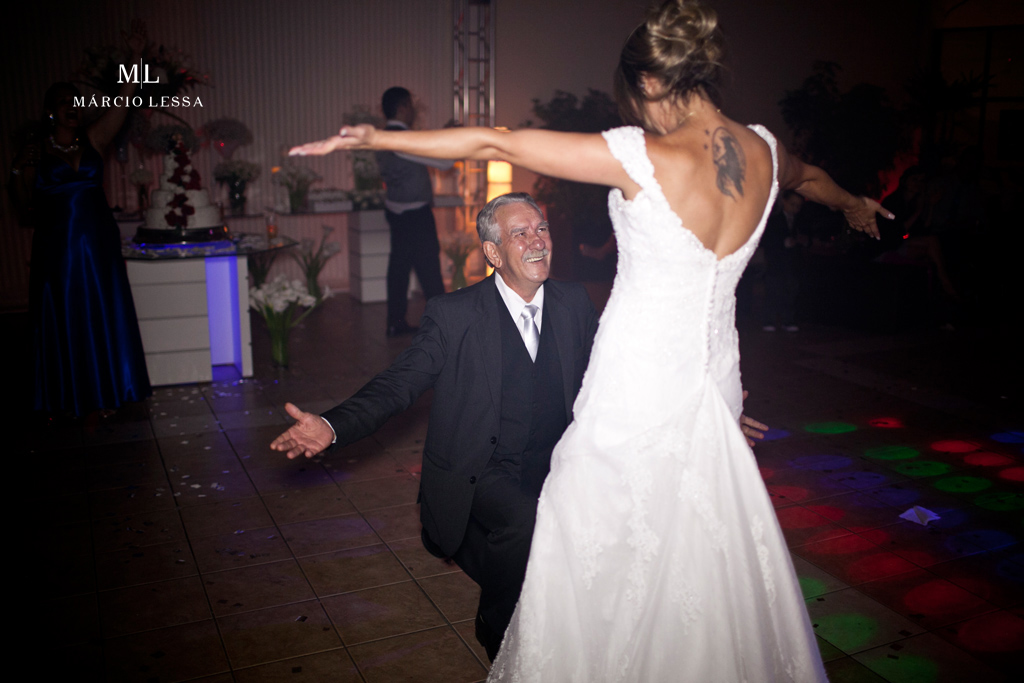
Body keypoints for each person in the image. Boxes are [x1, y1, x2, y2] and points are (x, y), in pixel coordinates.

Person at [290, 2, 889, 678]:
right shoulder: (766, 150)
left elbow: (499, 142)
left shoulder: (642, 155)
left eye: (637, 98)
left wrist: (373, 137)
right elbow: (815, 182)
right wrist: (856, 205)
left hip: (634, 389)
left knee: (589, 542)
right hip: (712, 379)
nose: (640, 112)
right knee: (698, 547)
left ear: (653, 84)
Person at [272, 191, 768, 661]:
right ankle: (499, 629)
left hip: (559, 461)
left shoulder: (574, 302)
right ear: (492, 251)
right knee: (526, 517)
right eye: (520, 234)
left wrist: (708, 412)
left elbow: (625, 375)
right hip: (482, 468)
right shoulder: (455, 314)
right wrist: (332, 426)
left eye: (541, 228)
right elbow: (398, 384)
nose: (537, 240)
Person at [11, 21, 152, 417]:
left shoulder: (94, 140)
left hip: (99, 244)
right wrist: (17, 172)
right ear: (49, 110)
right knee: (65, 315)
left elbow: (124, 100)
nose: (72, 109)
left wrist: (135, 58)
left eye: (76, 102)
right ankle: (66, 393)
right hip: (57, 248)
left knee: (105, 311)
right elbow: (23, 208)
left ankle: (111, 388)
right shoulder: (34, 151)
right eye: (63, 103)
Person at [377, 86, 452, 337]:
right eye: (411, 105)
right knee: (429, 270)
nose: (414, 111)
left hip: (395, 211)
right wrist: (454, 138)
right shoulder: (404, 138)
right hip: (415, 215)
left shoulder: (380, 138)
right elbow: (444, 161)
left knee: (398, 268)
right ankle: (443, 326)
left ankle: (394, 321)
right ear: (402, 107)